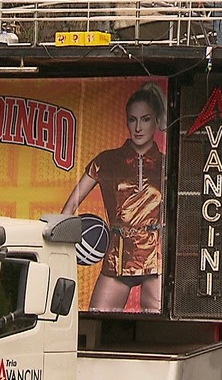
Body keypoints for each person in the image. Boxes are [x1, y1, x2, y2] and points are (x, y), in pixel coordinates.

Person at [60, 82, 167, 312]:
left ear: (156, 122)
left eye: (145, 119)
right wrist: (67, 248)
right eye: (132, 119)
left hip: (156, 256)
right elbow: (69, 208)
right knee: (95, 319)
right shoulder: (106, 161)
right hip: (117, 255)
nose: (138, 127)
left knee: (158, 324)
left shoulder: (167, 164)